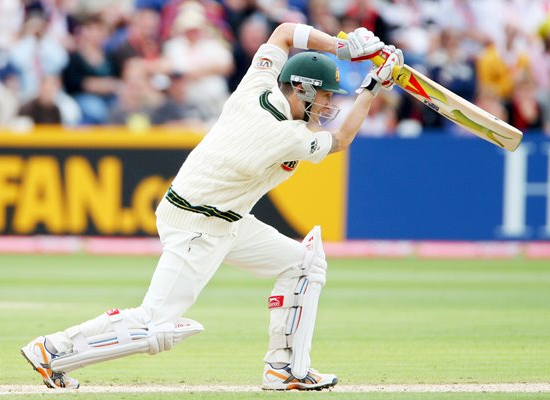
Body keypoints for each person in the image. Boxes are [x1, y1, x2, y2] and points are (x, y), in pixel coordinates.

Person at [21, 22, 403, 391]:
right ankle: (53, 349)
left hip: (228, 220)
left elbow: (284, 32)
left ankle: (284, 368)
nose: (328, 106)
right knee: (155, 324)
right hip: (197, 224)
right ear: (301, 89)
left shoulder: (257, 83)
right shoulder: (284, 135)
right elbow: (340, 141)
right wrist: (372, 85)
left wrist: (343, 48)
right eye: (325, 97)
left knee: (303, 263)